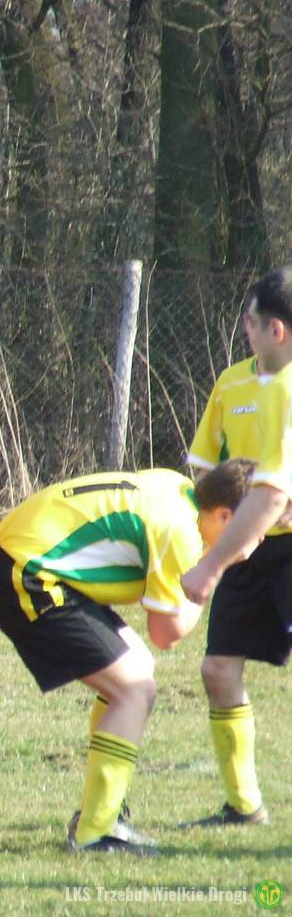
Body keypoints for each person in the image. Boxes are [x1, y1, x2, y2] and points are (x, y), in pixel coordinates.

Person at [0, 462, 256, 853]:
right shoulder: (181, 532)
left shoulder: (177, 488)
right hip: (25, 571)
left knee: (137, 670)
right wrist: (214, 569)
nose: (257, 540)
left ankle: (103, 812)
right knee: (134, 689)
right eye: (252, 529)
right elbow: (167, 633)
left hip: (19, 557)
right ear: (224, 516)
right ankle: (95, 830)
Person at [181, 267, 292, 823]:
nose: (243, 329)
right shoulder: (233, 384)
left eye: (250, 321)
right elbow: (204, 466)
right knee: (218, 669)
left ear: (276, 329)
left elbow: (276, 489)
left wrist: (207, 567)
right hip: (245, 547)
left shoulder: (289, 388)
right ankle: (244, 806)